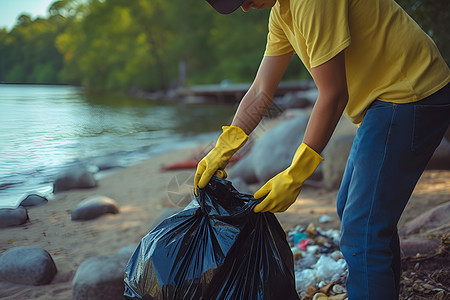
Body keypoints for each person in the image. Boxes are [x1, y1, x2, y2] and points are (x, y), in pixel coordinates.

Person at [194, 0, 450, 299]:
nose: (246, 9)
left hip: (408, 94)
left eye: (245, 0)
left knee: (361, 231)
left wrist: (295, 174)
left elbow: (333, 94)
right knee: (353, 210)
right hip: (384, 102)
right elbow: (262, 89)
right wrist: (223, 148)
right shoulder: (283, 13)